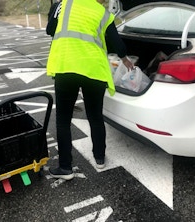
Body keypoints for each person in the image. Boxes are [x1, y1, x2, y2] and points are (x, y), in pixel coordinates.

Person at [46, 0, 134, 180]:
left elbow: (50, 30)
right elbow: (118, 44)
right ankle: (100, 158)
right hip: (94, 70)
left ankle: (65, 168)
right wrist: (125, 59)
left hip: (66, 67)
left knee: (63, 120)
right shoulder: (101, 12)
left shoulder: (62, 5)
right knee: (95, 116)